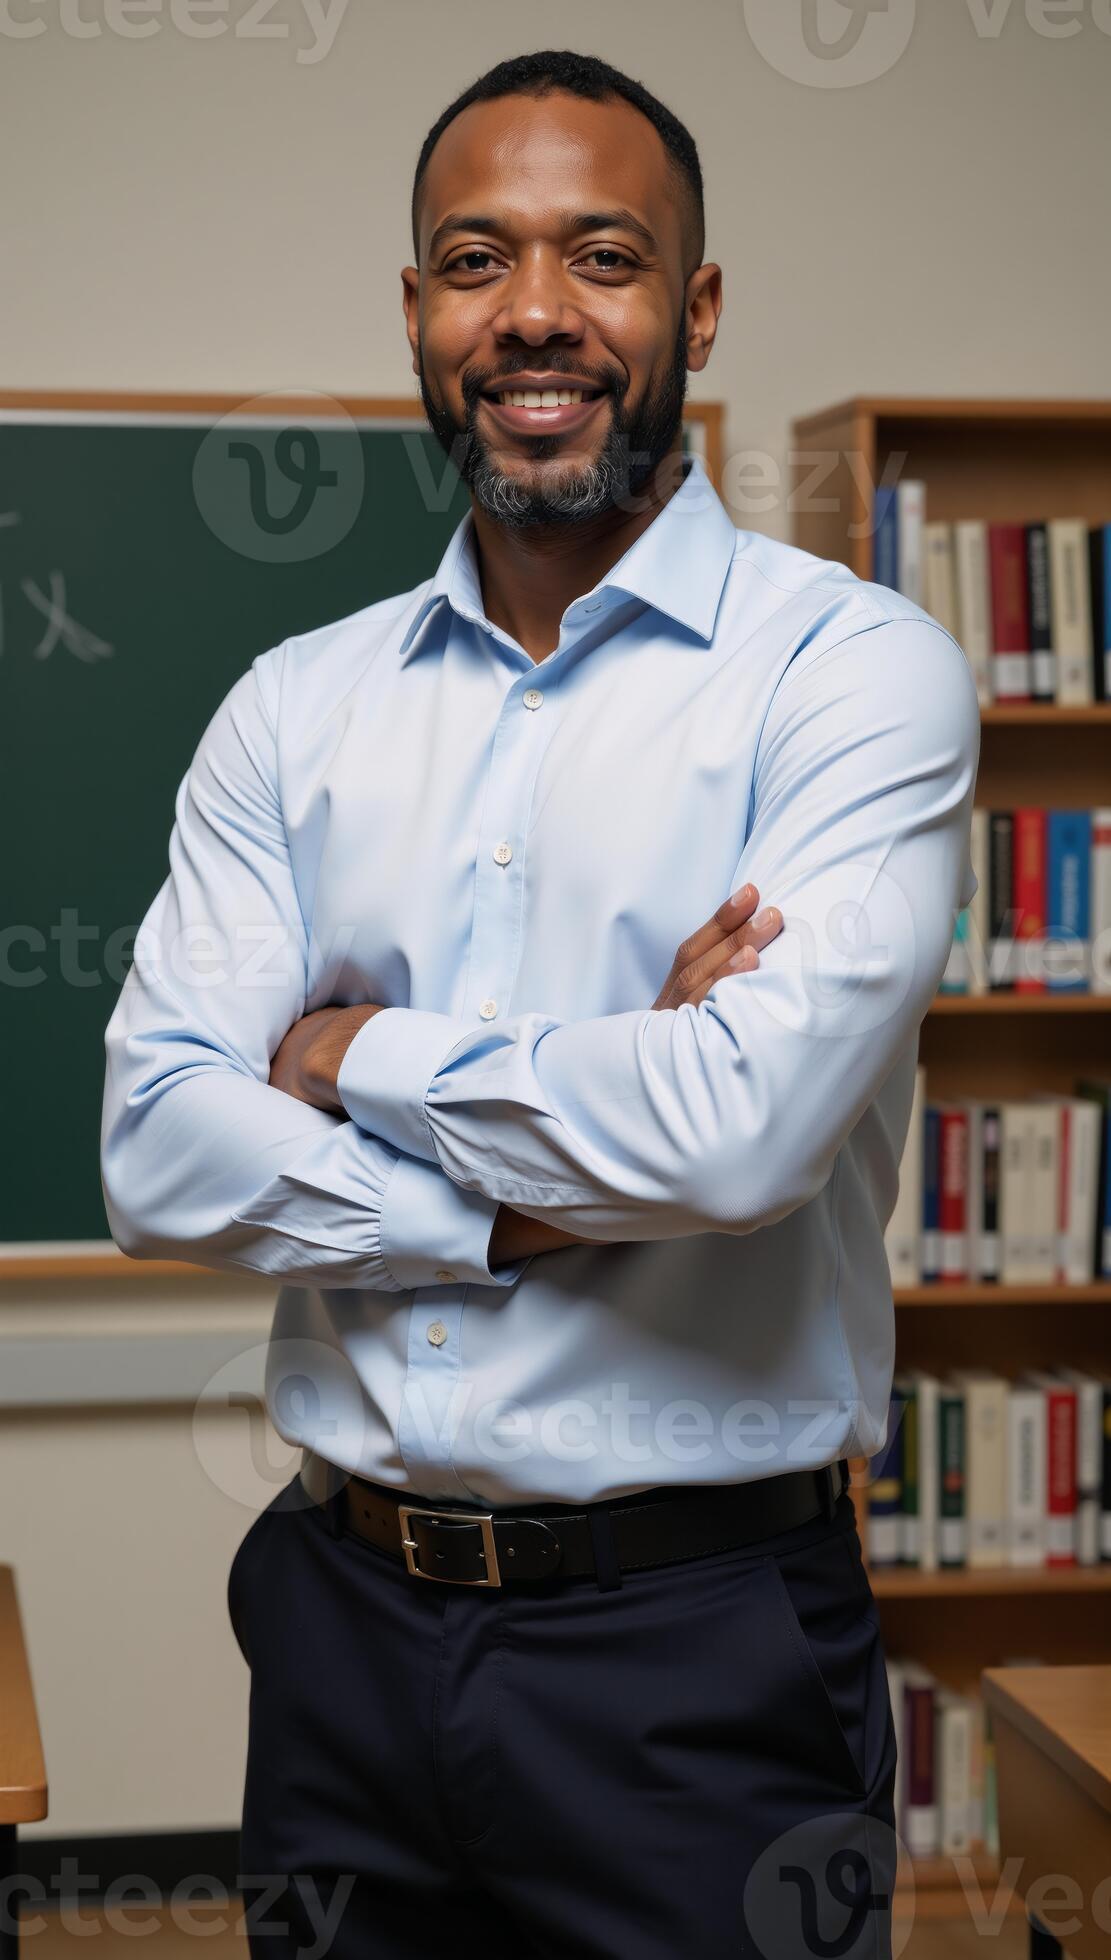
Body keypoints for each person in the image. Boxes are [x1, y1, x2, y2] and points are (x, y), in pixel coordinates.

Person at [100, 47, 979, 1960]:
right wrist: (517, 1191)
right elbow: (159, 1147)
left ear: (698, 303)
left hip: (701, 1668)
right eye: (475, 259)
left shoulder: (852, 680)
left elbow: (735, 1131)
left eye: (604, 255)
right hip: (340, 1631)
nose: (536, 315)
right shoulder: (295, 706)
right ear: (417, 309)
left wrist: (347, 1057)